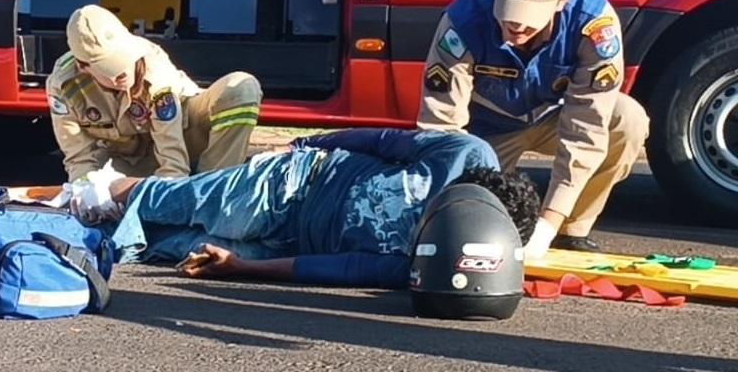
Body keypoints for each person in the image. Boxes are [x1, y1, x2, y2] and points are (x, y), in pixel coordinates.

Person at [417, 0, 650, 257]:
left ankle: (570, 229)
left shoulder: (593, 25)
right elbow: (441, 124)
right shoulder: (464, 19)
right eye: (510, 9)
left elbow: (586, 130)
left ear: (562, 0)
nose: (517, 24)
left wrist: (547, 225)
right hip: (486, 135)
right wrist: (447, 211)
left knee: (627, 120)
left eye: (531, 15)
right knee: (468, 221)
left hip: (553, 119)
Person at [97, 128, 541, 289]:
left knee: (167, 248)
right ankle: (93, 193)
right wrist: (309, 144)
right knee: (184, 203)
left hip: (289, 245)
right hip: (299, 183)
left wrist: (240, 267)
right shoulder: (463, 152)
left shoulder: (441, 261)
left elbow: (344, 269)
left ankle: (92, 233)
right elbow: (379, 141)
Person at [46, 4, 264, 182]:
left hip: (181, 139)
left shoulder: (151, 62)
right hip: (128, 161)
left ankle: (212, 189)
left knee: (241, 89)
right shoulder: (64, 85)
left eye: (123, 59)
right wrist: (88, 192)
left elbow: (172, 158)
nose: (121, 72)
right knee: (91, 186)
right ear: (83, 67)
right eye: (109, 68)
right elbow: (79, 157)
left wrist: (173, 190)